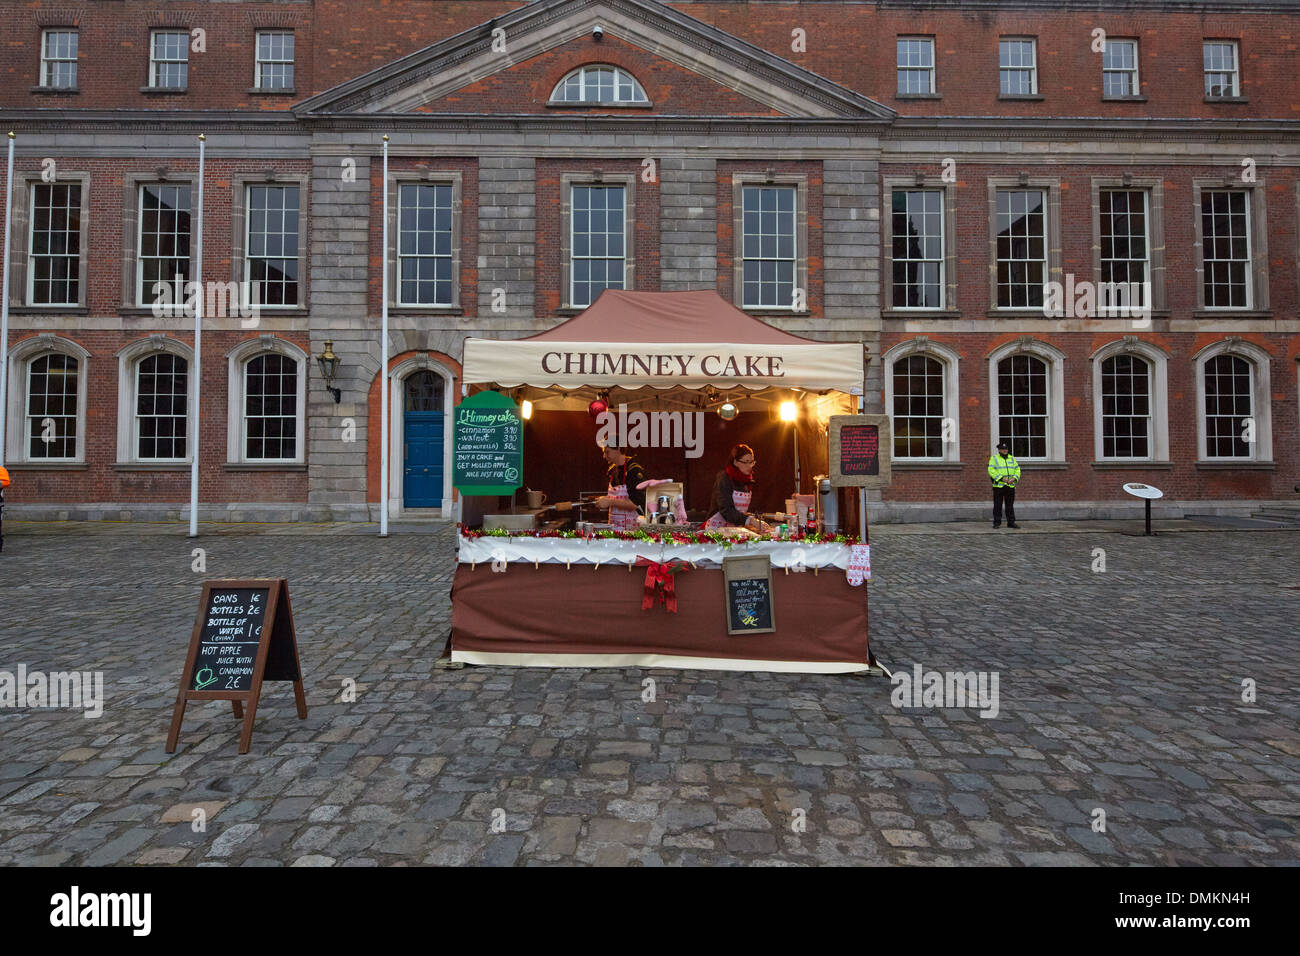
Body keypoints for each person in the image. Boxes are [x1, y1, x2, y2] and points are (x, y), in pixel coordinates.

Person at [704, 443, 772, 532]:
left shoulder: (747, 481)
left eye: (751, 462)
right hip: (716, 529)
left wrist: (754, 521)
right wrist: (750, 521)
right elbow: (727, 510)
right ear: (735, 462)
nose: (749, 466)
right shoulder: (724, 478)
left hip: (734, 529)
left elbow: (741, 511)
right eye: (745, 462)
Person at [595, 442, 646, 530]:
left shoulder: (634, 470)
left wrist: (610, 502)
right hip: (614, 527)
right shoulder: (612, 470)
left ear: (618, 449)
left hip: (632, 530)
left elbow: (636, 504)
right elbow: (615, 497)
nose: (604, 456)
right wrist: (604, 500)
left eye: (607, 452)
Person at [987, 440, 1021, 529]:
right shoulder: (994, 458)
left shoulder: (1012, 458)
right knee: (998, 505)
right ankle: (997, 523)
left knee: (1010, 506)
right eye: (1003, 449)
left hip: (1010, 485)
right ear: (999, 450)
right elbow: (991, 470)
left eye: (1006, 449)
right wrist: (1002, 478)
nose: (1005, 450)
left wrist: (1014, 478)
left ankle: (1011, 522)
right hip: (999, 486)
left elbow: (1017, 470)